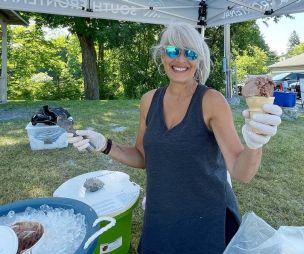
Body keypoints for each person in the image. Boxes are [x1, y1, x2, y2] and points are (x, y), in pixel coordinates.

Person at [67, 23, 282, 254]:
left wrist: (255, 143)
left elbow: (242, 173)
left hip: (207, 218)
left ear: (199, 60)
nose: (181, 60)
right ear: (162, 56)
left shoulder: (212, 101)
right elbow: (142, 157)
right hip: (161, 214)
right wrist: (104, 144)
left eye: (190, 53)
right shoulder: (149, 101)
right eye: (172, 51)